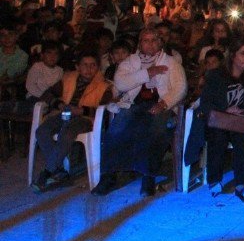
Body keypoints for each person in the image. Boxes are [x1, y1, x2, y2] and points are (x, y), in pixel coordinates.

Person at [94, 27, 187, 197]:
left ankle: (148, 175)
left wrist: (165, 103)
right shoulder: (130, 62)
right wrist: (147, 73)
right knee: (116, 129)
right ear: (140, 43)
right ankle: (108, 175)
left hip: (160, 105)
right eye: (146, 40)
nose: (150, 44)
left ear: (160, 42)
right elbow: (121, 83)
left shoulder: (171, 63)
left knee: (155, 130)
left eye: (154, 40)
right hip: (133, 105)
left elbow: (181, 88)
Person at [199, 41, 244, 200]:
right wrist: (225, 109)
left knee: (242, 138)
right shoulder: (216, 75)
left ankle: (242, 182)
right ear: (233, 55)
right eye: (243, 53)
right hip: (220, 118)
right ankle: (214, 179)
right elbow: (205, 102)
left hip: (241, 119)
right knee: (217, 136)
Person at [31, 50, 113, 192]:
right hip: (64, 113)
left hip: (85, 118)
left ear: (98, 67)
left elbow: (105, 110)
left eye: (93, 65)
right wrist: (59, 104)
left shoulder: (104, 85)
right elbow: (47, 94)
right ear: (78, 67)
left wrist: (82, 111)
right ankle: (59, 170)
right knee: (42, 131)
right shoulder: (68, 78)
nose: (88, 69)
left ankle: (48, 171)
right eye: (85, 65)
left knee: (67, 133)